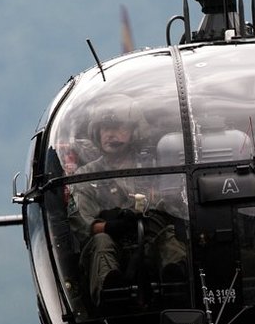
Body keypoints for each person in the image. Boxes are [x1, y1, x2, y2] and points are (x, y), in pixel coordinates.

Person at [67, 95, 188, 307]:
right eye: (106, 128)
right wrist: (114, 225)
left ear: (134, 132)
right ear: (97, 132)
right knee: (101, 242)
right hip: (114, 249)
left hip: (151, 243)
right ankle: (111, 293)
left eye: (119, 128)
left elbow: (174, 204)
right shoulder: (86, 175)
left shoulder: (154, 168)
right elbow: (83, 225)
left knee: (167, 237)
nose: (111, 134)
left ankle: (179, 282)